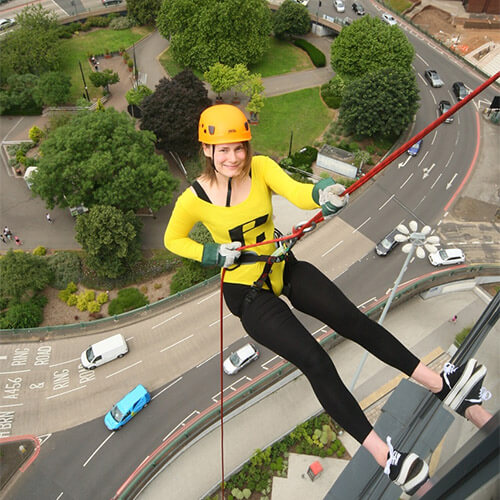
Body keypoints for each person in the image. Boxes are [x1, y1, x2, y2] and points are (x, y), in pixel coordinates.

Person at [164, 105, 492, 494]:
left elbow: (299, 192)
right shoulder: (194, 198)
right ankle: (387, 458)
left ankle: (441, 385)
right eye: (222, 150)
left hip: (283, 266)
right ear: (206, 149)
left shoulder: (263, 168)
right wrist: (212, 254)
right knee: (315, 360)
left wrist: (324, 193)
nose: (233, 157)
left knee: (354, 321)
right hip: (247, 295)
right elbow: (174, 239)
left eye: (238, 148)